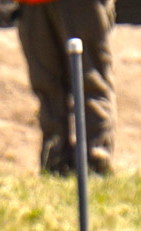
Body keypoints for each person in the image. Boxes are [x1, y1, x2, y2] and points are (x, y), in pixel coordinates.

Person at [13, 0, 115, 175]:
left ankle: (94, 165)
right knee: (47, 88)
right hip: (32, 4)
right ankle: (55, 163)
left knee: (89, 80)